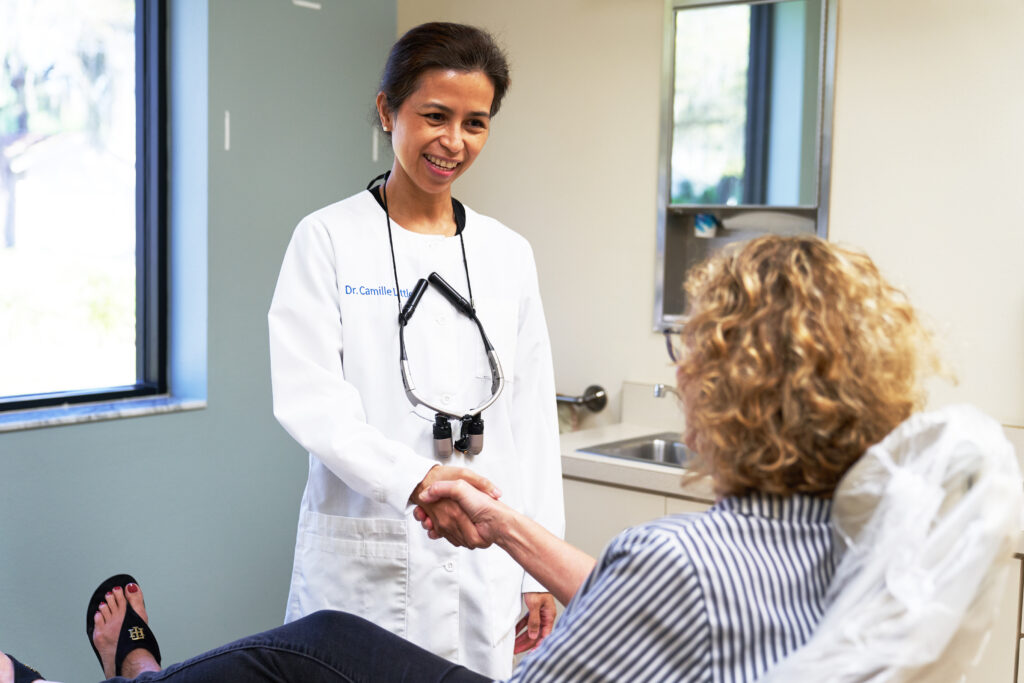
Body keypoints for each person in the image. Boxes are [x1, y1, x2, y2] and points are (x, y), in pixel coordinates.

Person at [4, 234, 953, 683]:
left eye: (697, 351)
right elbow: (657, 601)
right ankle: (142, 682)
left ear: (739, 388)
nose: (683, 369)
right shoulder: (848, 533)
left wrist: (520, 583)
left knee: (308, 653)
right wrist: (508, 530)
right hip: (435, 533)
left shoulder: (682, 562)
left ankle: (114, 682)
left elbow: (638, 607)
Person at [266, 21, 564, 678]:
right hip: (368, 552)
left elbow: (530, 416)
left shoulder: (507, 253)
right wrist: (417, 479)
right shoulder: (328, 238)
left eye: (475, 122)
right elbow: (312, 401)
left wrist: (536, 564)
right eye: (435, 115)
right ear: (386, 110)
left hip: (484, 556)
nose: (454, 142)